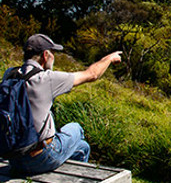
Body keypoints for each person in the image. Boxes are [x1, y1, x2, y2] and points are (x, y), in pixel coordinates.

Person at [8, 33, 122, 174]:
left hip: (13, 157)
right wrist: (109, 58)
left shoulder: (10, 74)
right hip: (38, 158)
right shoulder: (46, 79)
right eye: (53, 53)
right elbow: (92, 74)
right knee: (76, 128)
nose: (54, 57)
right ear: (45, 55)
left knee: (82, 147)